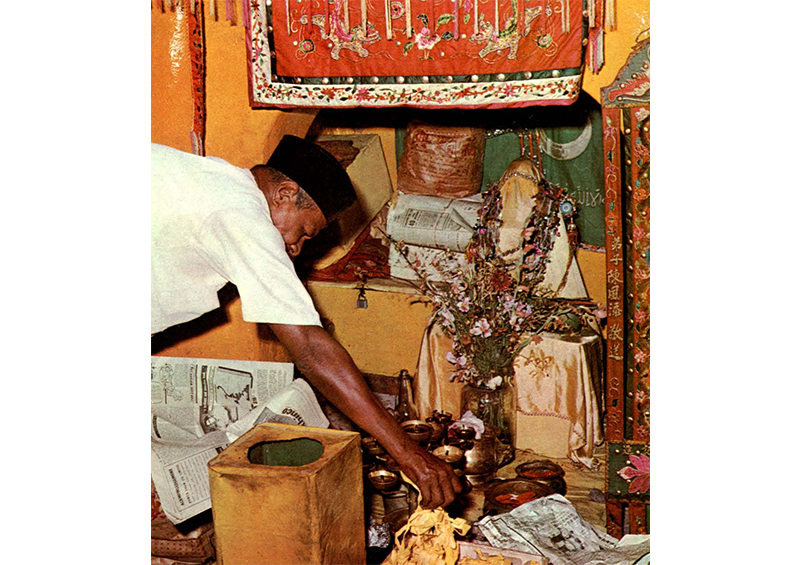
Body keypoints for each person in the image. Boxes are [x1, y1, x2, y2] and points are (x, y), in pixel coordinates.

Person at [151, 135, 461, 509]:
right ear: (284, 194)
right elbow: (311, 351)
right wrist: (410, 454)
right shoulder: (242, 216)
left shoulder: (220, 182)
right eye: (303, 232)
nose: (296, 248)